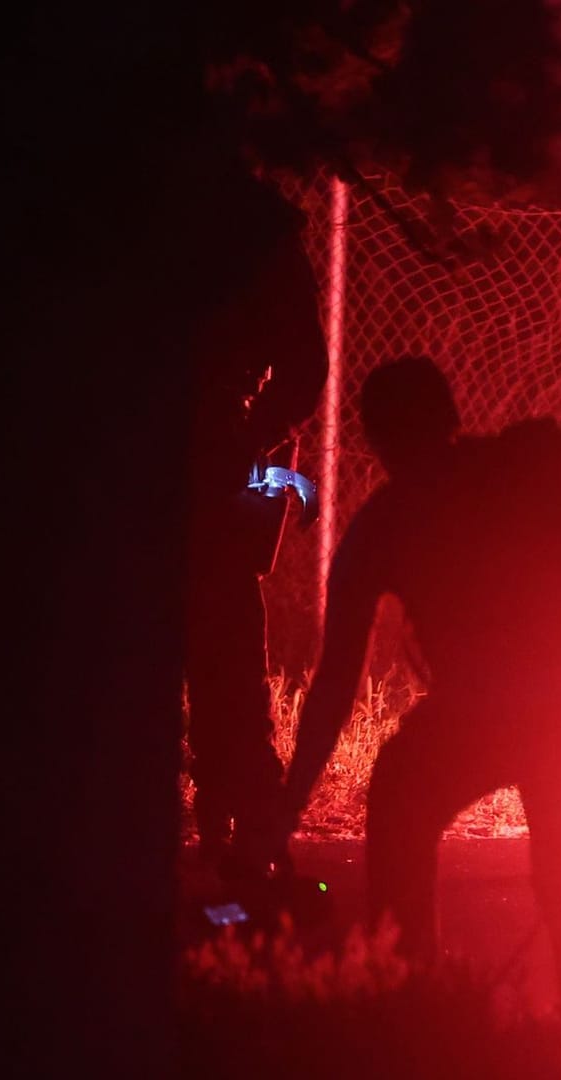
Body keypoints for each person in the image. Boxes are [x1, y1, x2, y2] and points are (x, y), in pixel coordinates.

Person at [278, 357, 561, 1022]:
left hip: (500, 709)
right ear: (451, 416)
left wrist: (290, 803)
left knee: (404, 794)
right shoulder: (517, 473)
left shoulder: (385, 521)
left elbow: (334, 681)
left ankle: (408, 994)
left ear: (375, 437)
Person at [184, 185, 327, 875]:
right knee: (223, 651)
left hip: (182, 456)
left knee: (219, 648)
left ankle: (240, 816)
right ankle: (247, 819)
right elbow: (304, 366)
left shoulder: (111, 195)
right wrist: (249, 437)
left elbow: (303, 368)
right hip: (200, 452)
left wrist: (246, 438)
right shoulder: (251, 223)